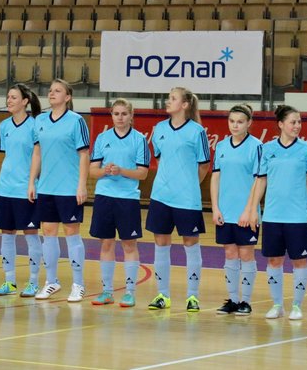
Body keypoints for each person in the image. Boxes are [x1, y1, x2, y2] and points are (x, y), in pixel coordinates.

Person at [246, 105, 307, 320]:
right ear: (280, 124)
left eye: (299, 122)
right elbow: (260, 181)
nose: (297, 126)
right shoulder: (267, 149)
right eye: (293, 122)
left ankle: (297, 305)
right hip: (272, 216)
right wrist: (253, 209)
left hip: (298, 216)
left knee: (299, 261)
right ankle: (277, 304)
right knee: (274, 261)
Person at [145, 87, 211, 312]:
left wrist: (190, 184)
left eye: (172, 98)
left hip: (187, 199)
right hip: (161, 196)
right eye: (168, 97)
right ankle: (162, 294)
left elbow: (204, 165)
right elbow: (162, 161)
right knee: (161, 244)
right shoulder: (159, 128)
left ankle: (193, 296)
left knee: (190, 244)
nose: (167, 101)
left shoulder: (197, 131)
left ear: (184, 105)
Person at [28, 79, 90, 302]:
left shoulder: (76, 121)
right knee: (49, 233)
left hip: (69, 188)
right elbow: (37, 152)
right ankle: (51, 281)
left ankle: (78, 284)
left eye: (58, 91)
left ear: (68, 97)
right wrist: (32, 181)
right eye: (50, 90)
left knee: (72, 234)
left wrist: (81, 185)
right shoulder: (40, 121)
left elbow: (84, 154)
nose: (52, 93)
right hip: (46, 187)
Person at [88, 98, 149, 308]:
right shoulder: (102, 138)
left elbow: (143, 173)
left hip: (128, 199)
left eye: (124, 114)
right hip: (104, 197)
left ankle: (130, 292)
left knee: (129, 244)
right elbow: (92, 170)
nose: (120, 118)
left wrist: (121, 171)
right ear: (111, 115)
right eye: (116, 114)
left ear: (131, 116)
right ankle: (107, 291)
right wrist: (104, 170)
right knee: (106, 243)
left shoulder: (139, 140)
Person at [0, 84, 44, 297]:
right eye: (8, 97)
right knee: (7, 234)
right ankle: (9, 281)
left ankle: (33, 282)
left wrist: (32, 182)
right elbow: (8, 155)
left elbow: (37, 156)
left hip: (26, 188)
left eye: (14, 97)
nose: (9, 100)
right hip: (6, 187)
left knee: (31, 234)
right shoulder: (4, 125)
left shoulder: (35, 126)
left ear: (25, 101)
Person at [211, 104, 262, 316]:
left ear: (249, 123)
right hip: (225, 210)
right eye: (232, 121)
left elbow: (259, 180)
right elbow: (215, 177)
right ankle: (232, 299)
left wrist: (249, 210)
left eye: (240, 122)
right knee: (230, 253)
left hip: (246, 213)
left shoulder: (257, 146)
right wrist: (215, 207)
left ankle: (246, 301)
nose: (235, 125)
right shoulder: (221, 146)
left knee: (246, 254)